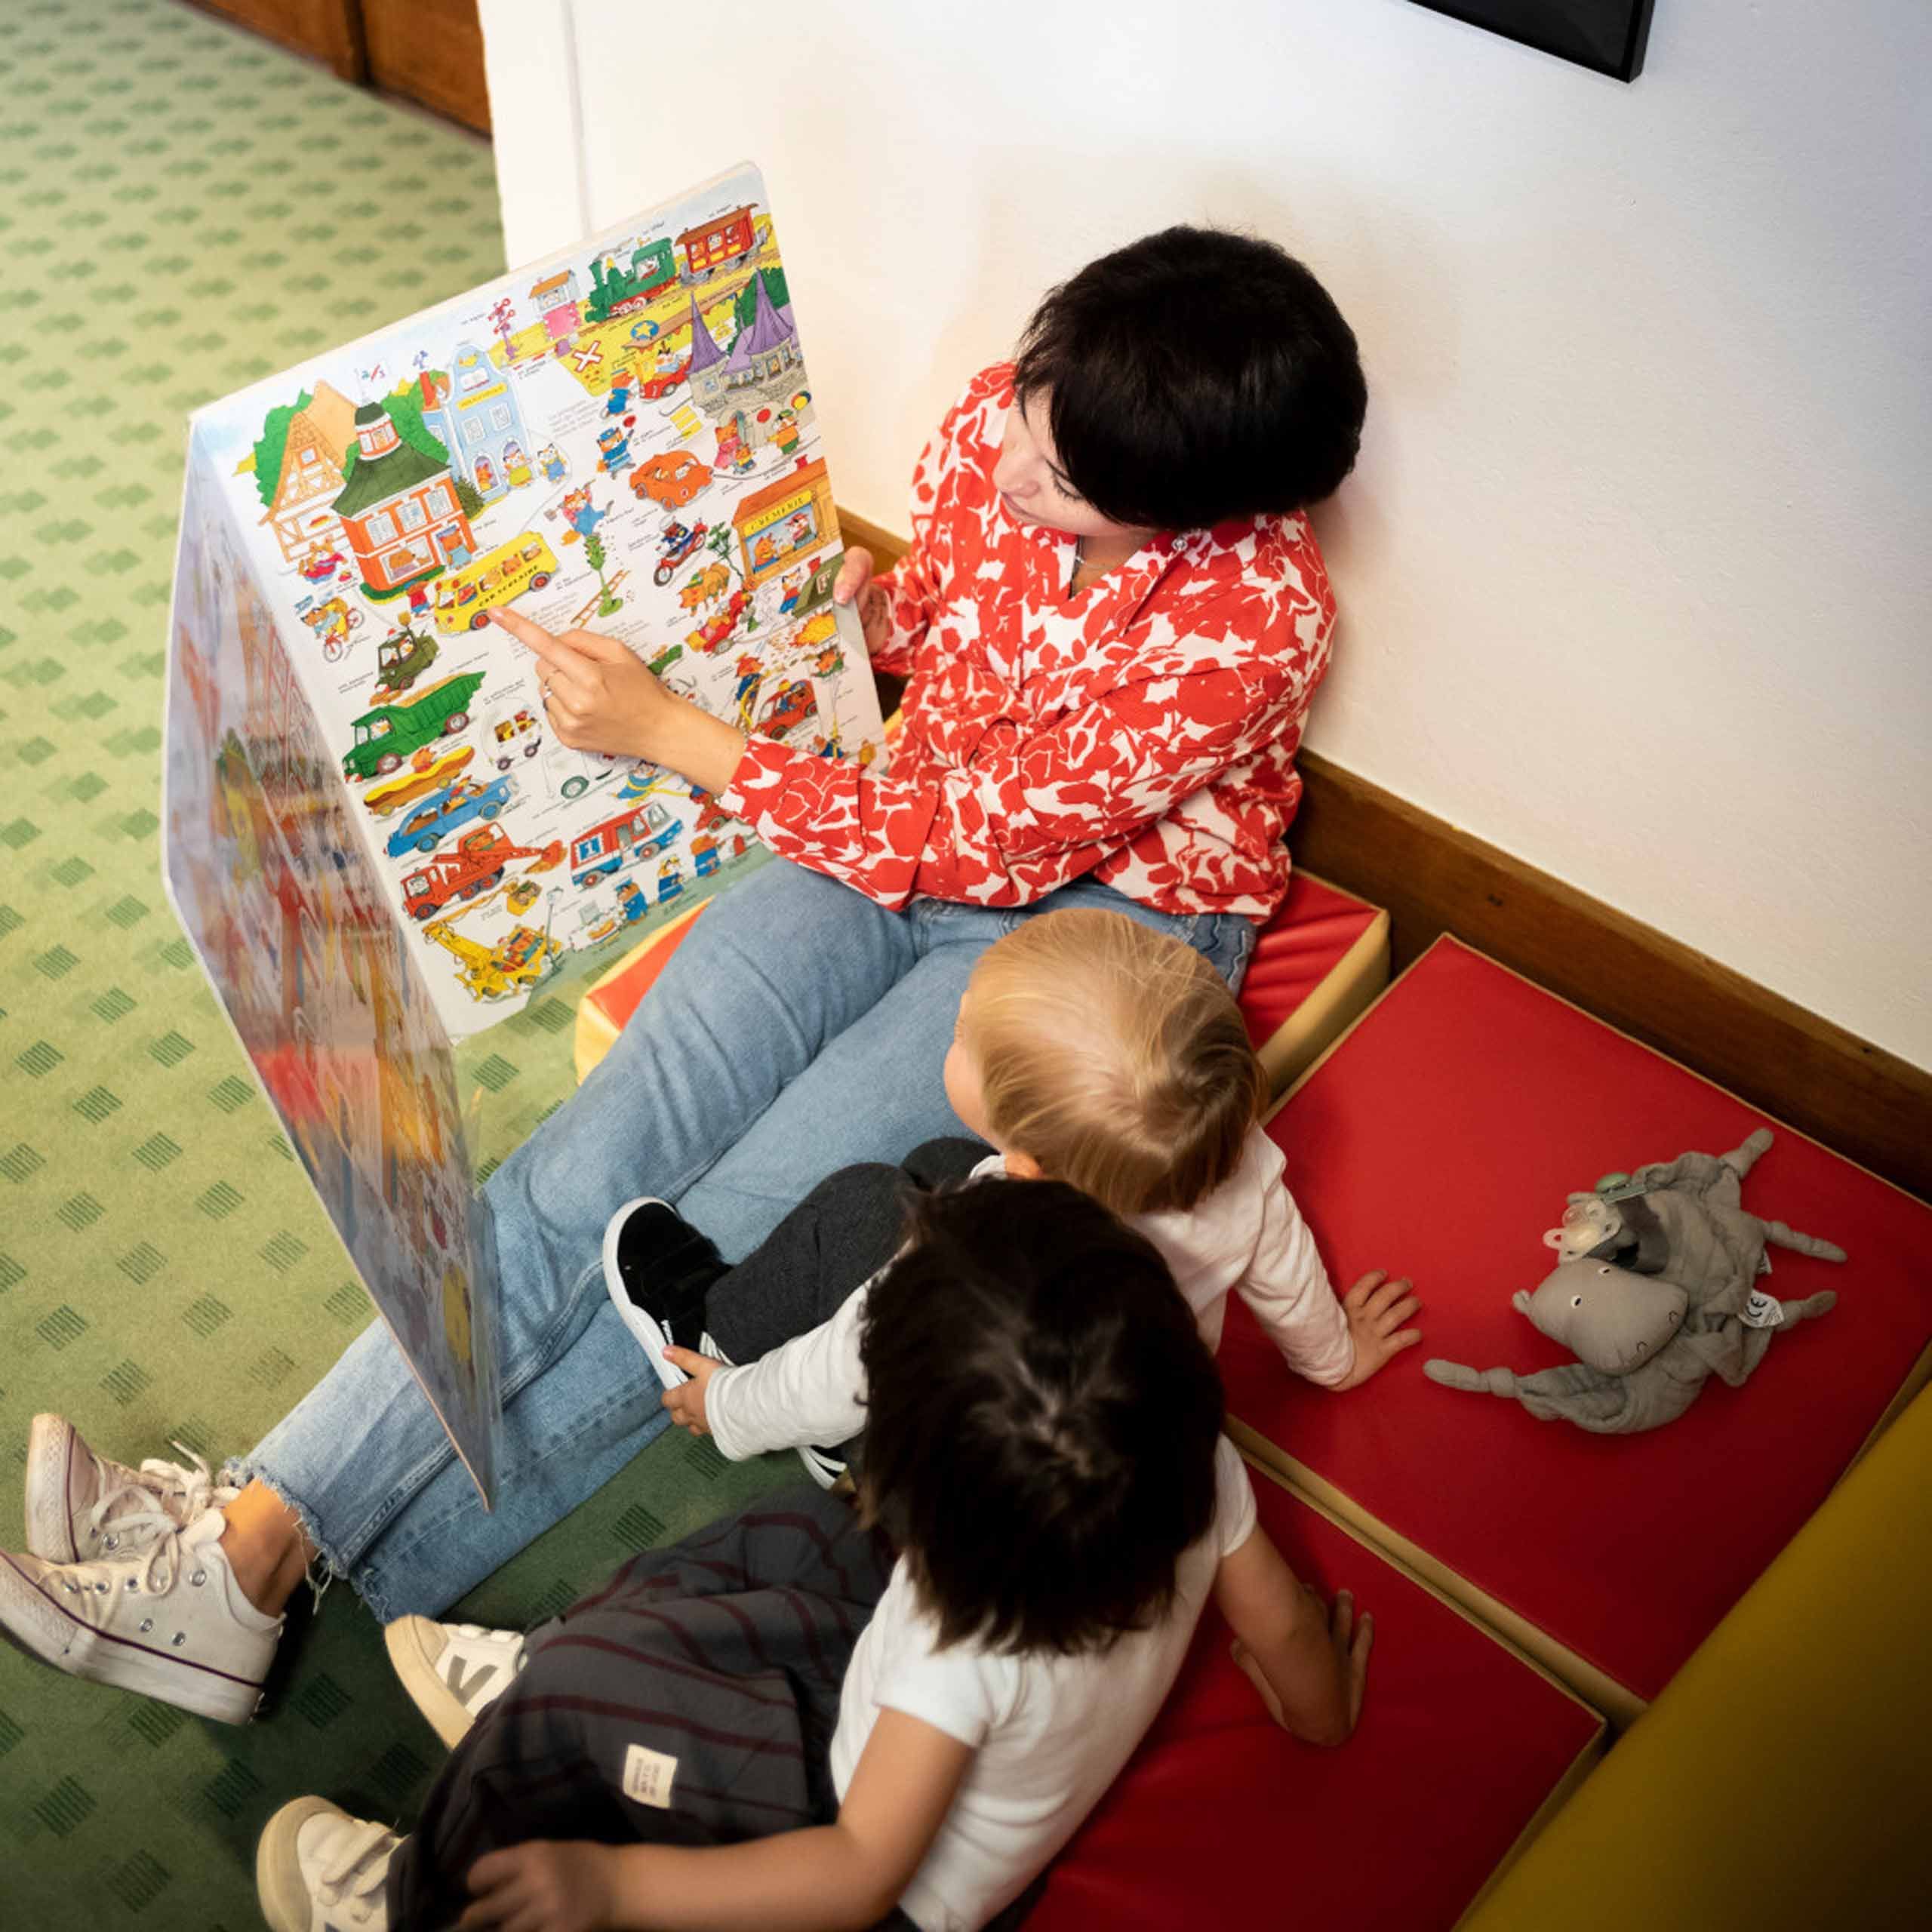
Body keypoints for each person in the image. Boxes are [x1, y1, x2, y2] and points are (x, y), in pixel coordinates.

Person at [1, 225, 1368, 1721]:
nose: (1016, 459)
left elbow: (975, 840)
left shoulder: (1260, 619)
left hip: (1093, 937)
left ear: (1192, 512)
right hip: (900, 818)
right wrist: (854, 622)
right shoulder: (1010, 412)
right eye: (1032, 411)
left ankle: (257, 1563)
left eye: (1067, 474)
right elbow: (957, 630)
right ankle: (253, 1537)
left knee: (705, 1252)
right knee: (586, 1158)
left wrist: (678, 735)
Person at [255, 1183, 1375, 1932]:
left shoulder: (958, 1657)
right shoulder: (1183, 1464)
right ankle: (588, 1675)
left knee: (566, 1703)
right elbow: (1279, 1625)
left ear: (926, 1489)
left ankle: (413, 1900)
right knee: (782, 1537)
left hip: (844, 1842)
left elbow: (856, 1874)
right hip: (913, 1674)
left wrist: (617, 1885)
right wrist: (1319, 1710)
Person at [600, 909, 1419, 1490]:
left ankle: (723, 1330)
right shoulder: (1235, 1161)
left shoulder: (977, 1235)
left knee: (857, 1198)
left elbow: (846, 1368)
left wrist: (732, 1410)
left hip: (934, 1451)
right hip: (1070, 1419)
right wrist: (1334, 1359)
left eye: (963, 1035)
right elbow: (1289, 1275)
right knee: (939, 1159)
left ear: (1026, 1167)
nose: (954, 1019)